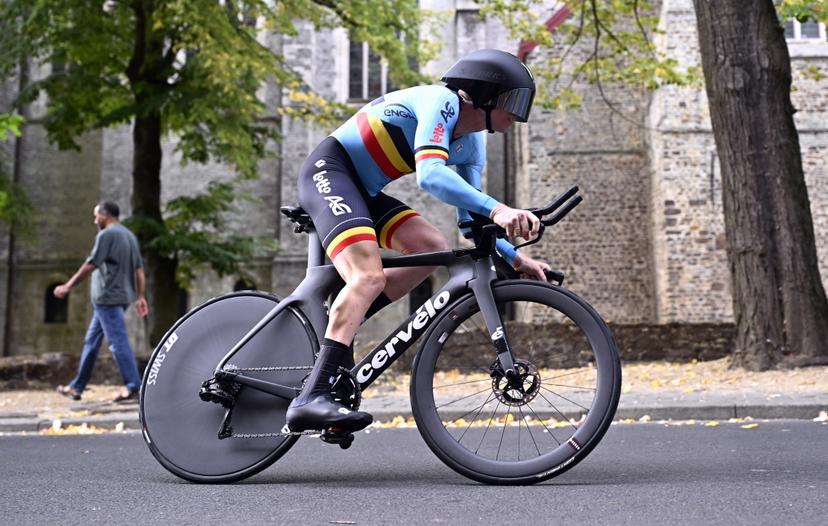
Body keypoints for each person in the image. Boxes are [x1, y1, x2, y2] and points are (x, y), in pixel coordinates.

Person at [286, 48, 550, 433]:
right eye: (513, 101)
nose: (518, 114)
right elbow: (430, 176)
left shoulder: (473, 144)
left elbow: (470, 223)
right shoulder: (441, 102)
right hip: (331, 171)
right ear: (485, 95)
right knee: (368, 276)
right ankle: (310, 399)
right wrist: (499, 210)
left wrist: (514, 258)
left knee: (430, 247)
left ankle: (343, 325)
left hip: (364, 192)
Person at [55, 201, 149, 402]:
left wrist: (68, 286)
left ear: (105, 215)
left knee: (117, 342)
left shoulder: (107, 235)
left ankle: (134, 386)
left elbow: (91, 264)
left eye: (96, 215)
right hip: (121, 297)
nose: (94, 219)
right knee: (91, 342)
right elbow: (139, 270)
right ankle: (77, 387)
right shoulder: (129, 236)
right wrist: (140, 296)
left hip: (107, 297)